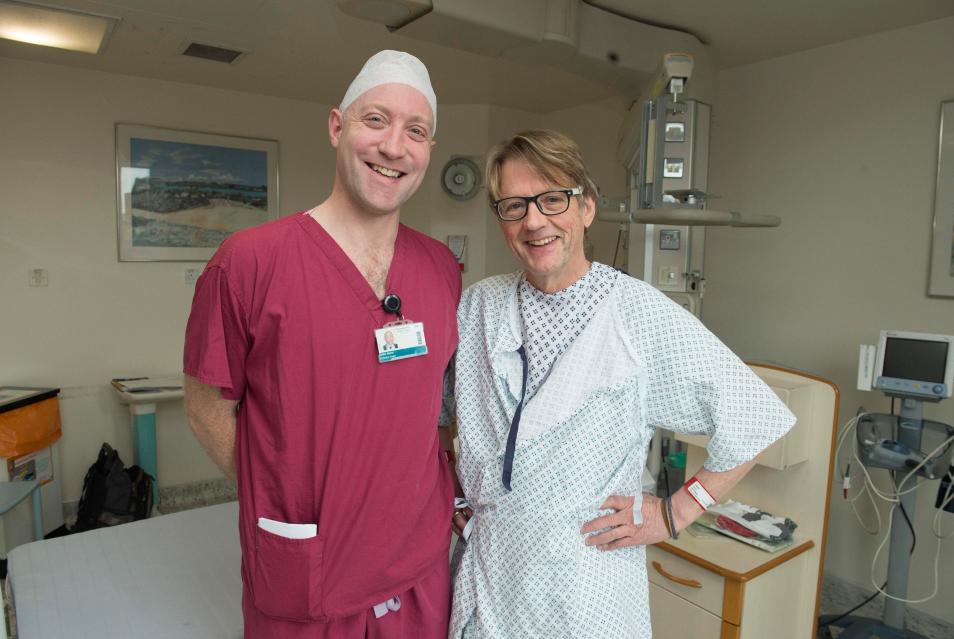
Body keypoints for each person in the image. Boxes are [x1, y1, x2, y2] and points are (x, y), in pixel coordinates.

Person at [447, 129, 796, 638]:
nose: (534, 221)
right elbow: (427, 411)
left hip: (584, 581)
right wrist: (451, 495)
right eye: (514, 206)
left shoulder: (637, 312)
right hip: (490, 573)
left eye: (552, 199)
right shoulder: (479, 306)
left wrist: (676, 513)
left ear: (586, 207)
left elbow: (754, 414)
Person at [183, 50, 461, 639]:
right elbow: (206, 408)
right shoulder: (250, 262)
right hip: (307, 568)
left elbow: (429, 406)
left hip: (419, 570)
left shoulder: (441, 269)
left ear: (429, 150)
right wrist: (280, 491)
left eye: (416, 131)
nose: (394, 146)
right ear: (337, 126)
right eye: (376, 120)